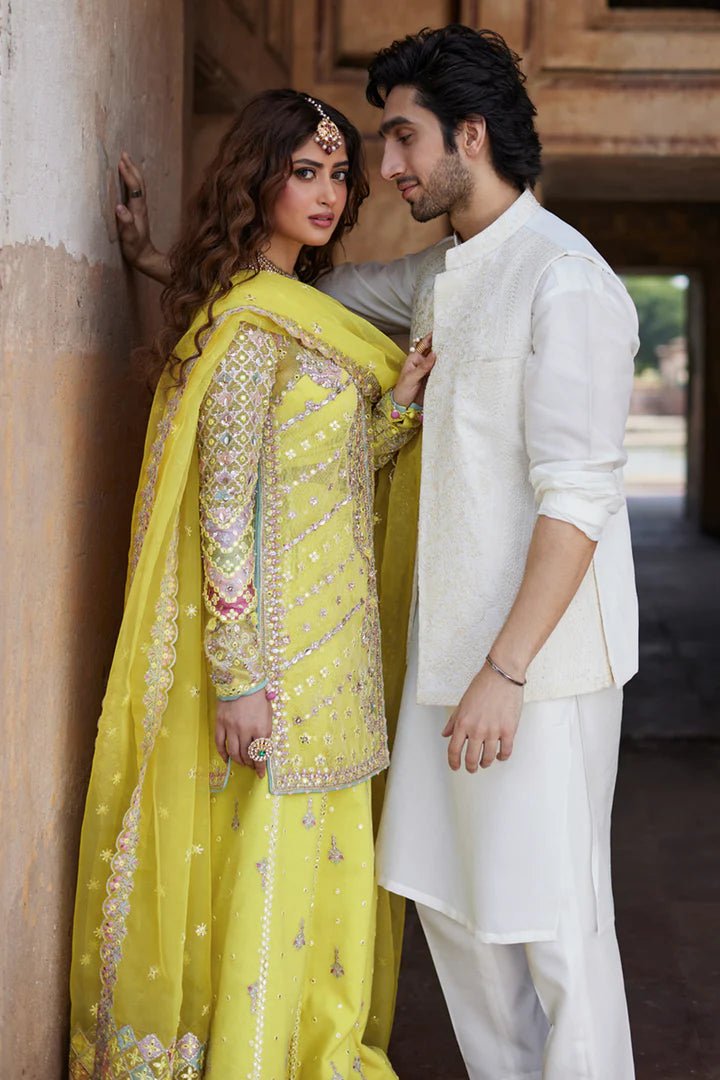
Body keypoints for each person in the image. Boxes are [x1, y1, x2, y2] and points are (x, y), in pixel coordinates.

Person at [117, 26, 640, 1079]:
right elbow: (285, 306)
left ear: (472, 134)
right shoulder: (444, 276)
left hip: (536, 671)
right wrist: (149, 259)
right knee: (456, 919)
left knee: (553, 935)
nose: (386, 167)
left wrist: (509, 668)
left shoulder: (566, 283)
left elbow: (577, 500)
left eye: (402, 138)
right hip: (442, 656)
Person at [69, 89, 434, 1080]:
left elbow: (331, 475)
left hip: (337, 658)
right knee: (266, 865)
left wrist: (395, 409)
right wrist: (235, 675)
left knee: (324, 873)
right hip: (270, 664)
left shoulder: (308, 317)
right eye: (305, 171)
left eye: (338, 174)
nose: (328, 191)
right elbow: (223, 510)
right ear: (259, 178)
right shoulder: (251, 331)